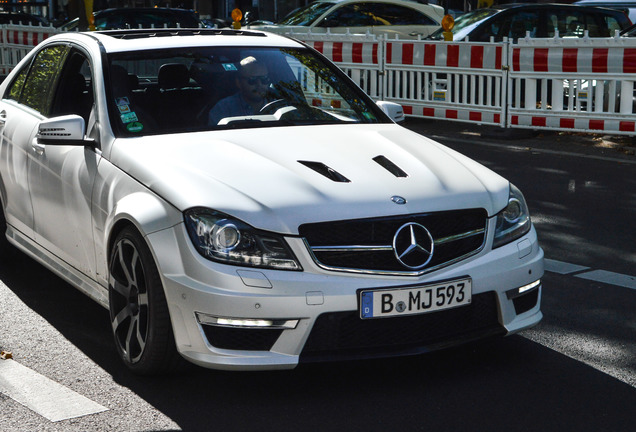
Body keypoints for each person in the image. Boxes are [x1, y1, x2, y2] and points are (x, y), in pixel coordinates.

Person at [208, 56, 271, 126]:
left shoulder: (282, 104)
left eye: (264, 79)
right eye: (252, 79)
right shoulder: (223, 109)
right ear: (239, 83)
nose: (259, 84)